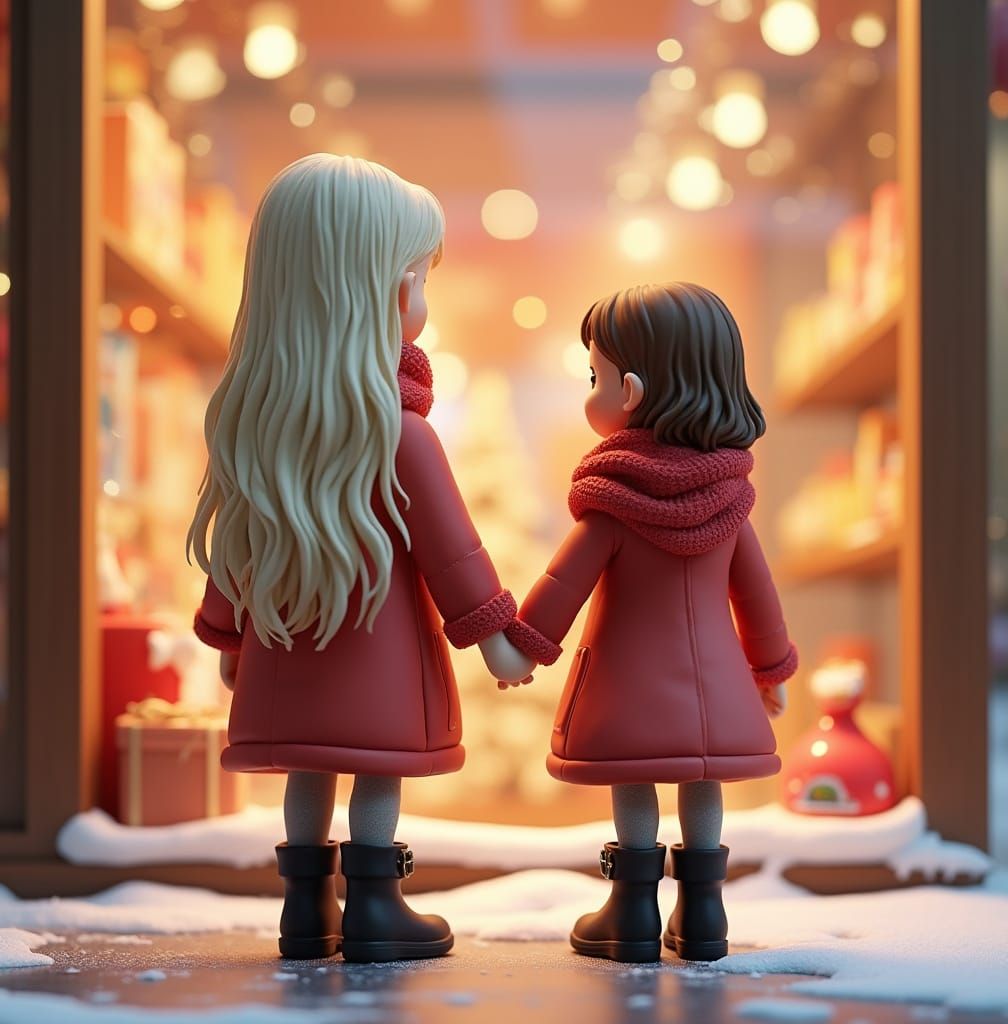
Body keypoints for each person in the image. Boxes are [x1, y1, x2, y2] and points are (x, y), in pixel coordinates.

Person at [188, 154, 531, 963]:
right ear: (365, 288)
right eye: (416, 276)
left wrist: (230, 637)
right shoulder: (399, 433)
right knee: (375, 770)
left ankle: (304, 911)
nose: (423, 298)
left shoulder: (259, 431)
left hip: (281, 657)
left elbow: (236, 548)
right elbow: (455, 554)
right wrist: (498, 639)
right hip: (380, 667)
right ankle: (376, 907)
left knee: (311, 767)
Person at [504, 282, 797, 964]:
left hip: (626, 687)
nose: (591, 390)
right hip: (716, 689)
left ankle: (632, 912)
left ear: (629, 391)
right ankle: (704, 913)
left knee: (633, 775)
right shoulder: (730, 500)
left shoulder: (613, 499)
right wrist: (771, 668)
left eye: (594, 376)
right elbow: (758, 597)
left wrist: (524, 648)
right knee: (702, 780)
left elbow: (561, 584)